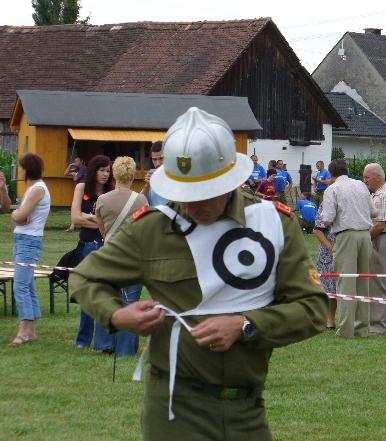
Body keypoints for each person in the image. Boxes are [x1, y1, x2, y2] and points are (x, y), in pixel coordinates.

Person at [69, 107, 327, 440]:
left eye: (202, 195)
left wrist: (246, 325)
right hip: (175, 409)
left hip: (247, 411)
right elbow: (85, 276)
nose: (189, 207)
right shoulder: (152, 228)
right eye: (181, 194)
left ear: (230, 181)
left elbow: (313, 309)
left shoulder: (273, 223)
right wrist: (117, 315)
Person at [95, 156, 148, 356]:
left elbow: (102, 229)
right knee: (131, 301)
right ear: (133, 175)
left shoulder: (103, 200)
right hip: (132, 256)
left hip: (109, 254)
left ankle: (104, 344)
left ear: (114, 174)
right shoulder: (141, 200)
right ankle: (126, 349)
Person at [321, 159, 376, 338]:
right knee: (363, 283)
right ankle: (361, 329)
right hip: (365, 235)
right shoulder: (361, 185)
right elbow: (373, 212)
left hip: (346, 236)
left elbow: (327, 219)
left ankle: (345, 330)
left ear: (331, 174)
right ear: (347, 170)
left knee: (345, 283)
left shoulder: (332, 189)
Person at [71, 154, 114, 352]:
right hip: (87, 244)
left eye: (108, 171)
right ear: (93, 170)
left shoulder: (111, 193)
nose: (105, 174)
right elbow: (75, 217)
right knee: (87, 292)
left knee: (103, 292)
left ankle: (102, 340)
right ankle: (83, 339)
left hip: (106, 245)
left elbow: (111, 221)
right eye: (102, 170)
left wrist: (88, 218)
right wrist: (97, 221)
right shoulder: (81, 188)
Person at [10, 153, 51, 346]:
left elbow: (20, 215)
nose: (19, 170)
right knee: (28, 285)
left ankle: (24, 331)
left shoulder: (36, 190)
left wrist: (15, 214)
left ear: (28, 169)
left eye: (21, 167)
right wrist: (17, 215)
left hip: (28, 240)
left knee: (20, 286)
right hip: (24, 239)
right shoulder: (35, 189)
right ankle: (31, 331)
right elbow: (20, 216)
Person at [363, 163, 386, 335]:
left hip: (382, 239)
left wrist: (364, 239)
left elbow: (380, 225)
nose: (365, 181)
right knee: (373, 281)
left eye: (367, 177)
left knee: (379, 283)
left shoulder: (385, 195)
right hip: (379, 238)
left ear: (378, 177)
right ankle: (374, 322)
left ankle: (380, 326)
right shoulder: (376, 194)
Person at [313, 201, 337, 329]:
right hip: (328, 254)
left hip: (346, 250)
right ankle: (330, 320)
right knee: (329, 288)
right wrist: (329, 247)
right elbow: (317, 230)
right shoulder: (326, 204)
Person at [141, 141, 168, 206]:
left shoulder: (177, 177)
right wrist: (147, 185)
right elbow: (140, 202)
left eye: (161, 158)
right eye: (154, 159)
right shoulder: (152, 178)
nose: (158, 163)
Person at [64, 156, 87, 232]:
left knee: (78, 207)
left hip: (83, 190)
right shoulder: (77, 169)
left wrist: (74, 175)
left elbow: (75, 179)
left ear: (81, 161)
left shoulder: (83, 169)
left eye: (77, 161)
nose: (75, 163)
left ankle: (73, 226)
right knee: (78, 207)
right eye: (75, 161)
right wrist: (70, 166)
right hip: (78, 191)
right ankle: (72, 226)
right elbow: (65, 173)